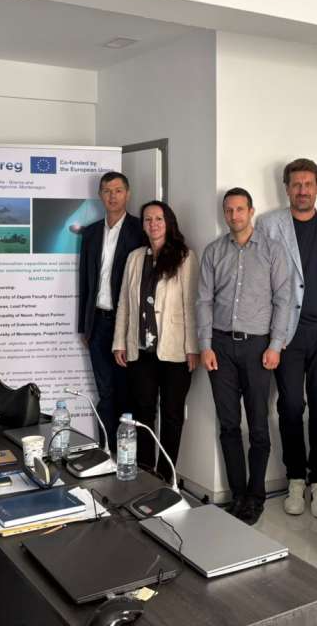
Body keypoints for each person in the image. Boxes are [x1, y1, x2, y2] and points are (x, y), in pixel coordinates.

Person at [257, 158, 317, 519]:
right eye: (296, 184)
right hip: (287, 332)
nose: (302, 190)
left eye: (308, 184)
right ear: (286, 188)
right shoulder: (268, 225)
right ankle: (295, 478)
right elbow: (262, 277)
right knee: (291, 406)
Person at [198, 188, 291, 525]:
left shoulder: (272, 250)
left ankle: (256, 496)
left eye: (240, 209)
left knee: (258, 425)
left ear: (251, 211)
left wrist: (275, 345)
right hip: (220, 347)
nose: (234, 215)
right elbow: (204, 301)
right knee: (228, 425)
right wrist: (205, 345)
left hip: (258, 348)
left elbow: (283, 300)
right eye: (229, 210)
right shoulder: (213, 252)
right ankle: (237, 495)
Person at [113, 201, 198, 483]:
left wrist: (192, 348)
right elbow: (125, 303)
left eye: (159, 218)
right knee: (143, 413)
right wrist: (119, 341)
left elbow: (191, 305)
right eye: (148, 219)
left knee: (172, 415)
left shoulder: (184, 257)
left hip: (175, 350)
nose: (153, 224)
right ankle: (146, 472)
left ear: (168, 222)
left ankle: (165, 476)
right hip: (141, 350)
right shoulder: (135, 257)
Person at [78, 171, 144, 450]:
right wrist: (84, 326)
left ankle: (127, 456)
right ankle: (107, 452)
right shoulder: (91, 232)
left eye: (118, 190)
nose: (112, 196)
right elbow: (85, 280)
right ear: (100, 195)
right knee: (105, 393)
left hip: (125, 324)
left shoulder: (139, 230)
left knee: (126, 393)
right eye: (107, 191)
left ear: (127, 194)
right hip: (98, 322)